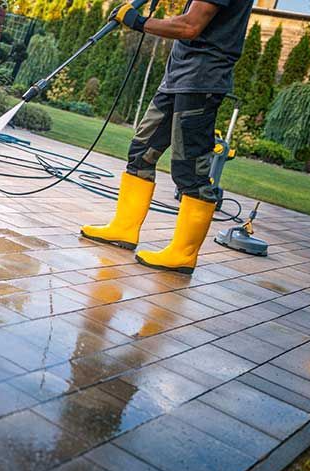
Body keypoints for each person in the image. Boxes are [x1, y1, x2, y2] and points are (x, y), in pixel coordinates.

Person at [80, 0, 253, 275]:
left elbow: (189, 26)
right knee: (141, 151)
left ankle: (183, 254)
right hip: (178, 78)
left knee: (190, 169)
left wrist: (138, 22)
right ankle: (124, 228)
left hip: (200, 81)